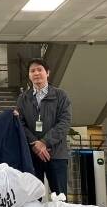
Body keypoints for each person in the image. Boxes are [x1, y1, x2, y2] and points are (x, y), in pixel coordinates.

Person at [16, 58, 72, 195]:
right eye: (32, 71)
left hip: (57, 154)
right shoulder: (23, 98)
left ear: (47, 73)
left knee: (60, 197)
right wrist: (35, 144)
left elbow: (64, 122)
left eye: (39, 70)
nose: (36, 73)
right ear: (29, 75)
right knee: (33, 198)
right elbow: (20, 124)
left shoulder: (60, 95)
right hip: (32, 155)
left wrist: (44, 142)